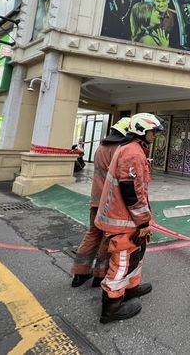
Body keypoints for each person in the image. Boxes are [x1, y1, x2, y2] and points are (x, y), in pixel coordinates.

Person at [94, 113, 164, 324]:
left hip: (129, 218)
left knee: (136, 253)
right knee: (122, 260)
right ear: (143, 131)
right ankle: (111, 307)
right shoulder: (133, 152)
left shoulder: (134, 149)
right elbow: (131, 191)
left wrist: (145, 219)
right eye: (153, 132)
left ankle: (131, 288)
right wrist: (143, 220)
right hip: (123, 220)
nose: (155, 136)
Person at [71, 117, 131, 288]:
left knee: (92, 234)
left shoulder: (101, 148)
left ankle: (79, 273)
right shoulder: (119, 149)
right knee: (107, 237)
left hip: (96, 199)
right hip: (111, 202)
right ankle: (100, 274)